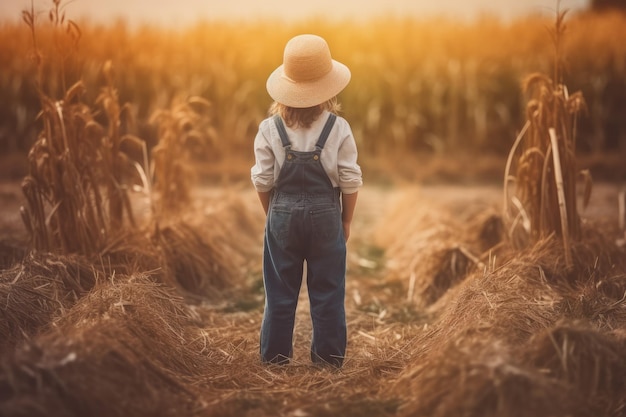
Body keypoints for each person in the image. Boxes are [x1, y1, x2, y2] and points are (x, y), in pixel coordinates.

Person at [251, 34, 362, 368]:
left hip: (281, 213)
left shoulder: (269, 129)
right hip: (326, 216)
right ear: (328, 86)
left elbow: (262, 180)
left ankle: (274, 362)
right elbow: (350, 180)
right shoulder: (338, 127)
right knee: (328, 294)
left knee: (280, 295)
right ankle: (328, 363)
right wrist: (345, 221)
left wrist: (273, 214)